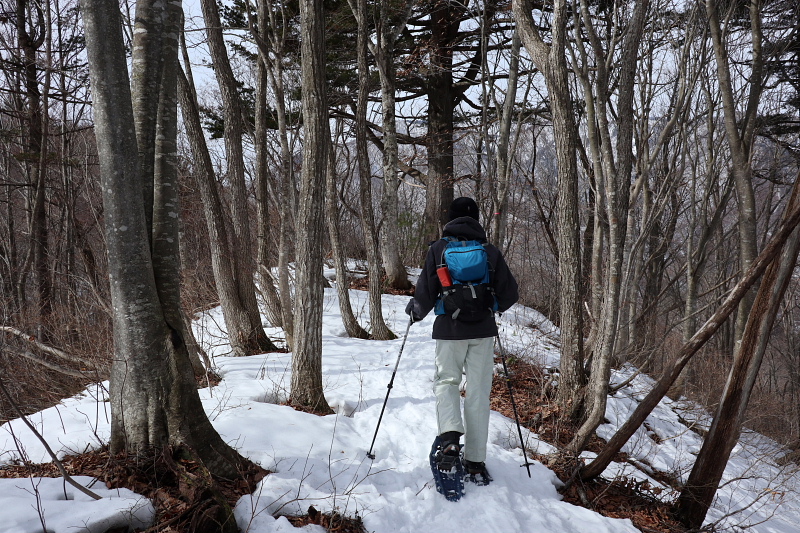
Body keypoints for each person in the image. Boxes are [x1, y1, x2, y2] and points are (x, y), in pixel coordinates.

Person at [405, 197, 518, 481]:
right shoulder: (490, 252)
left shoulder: (439, 249)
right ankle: (476, 460)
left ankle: (450, 439)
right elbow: (510, 293)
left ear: (450, 218)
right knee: (478, 392)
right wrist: (491, 306)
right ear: (477, 219)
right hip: (482, 333)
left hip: (449, 330)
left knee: (447, 382)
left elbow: (426, 291)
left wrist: (415, 313)